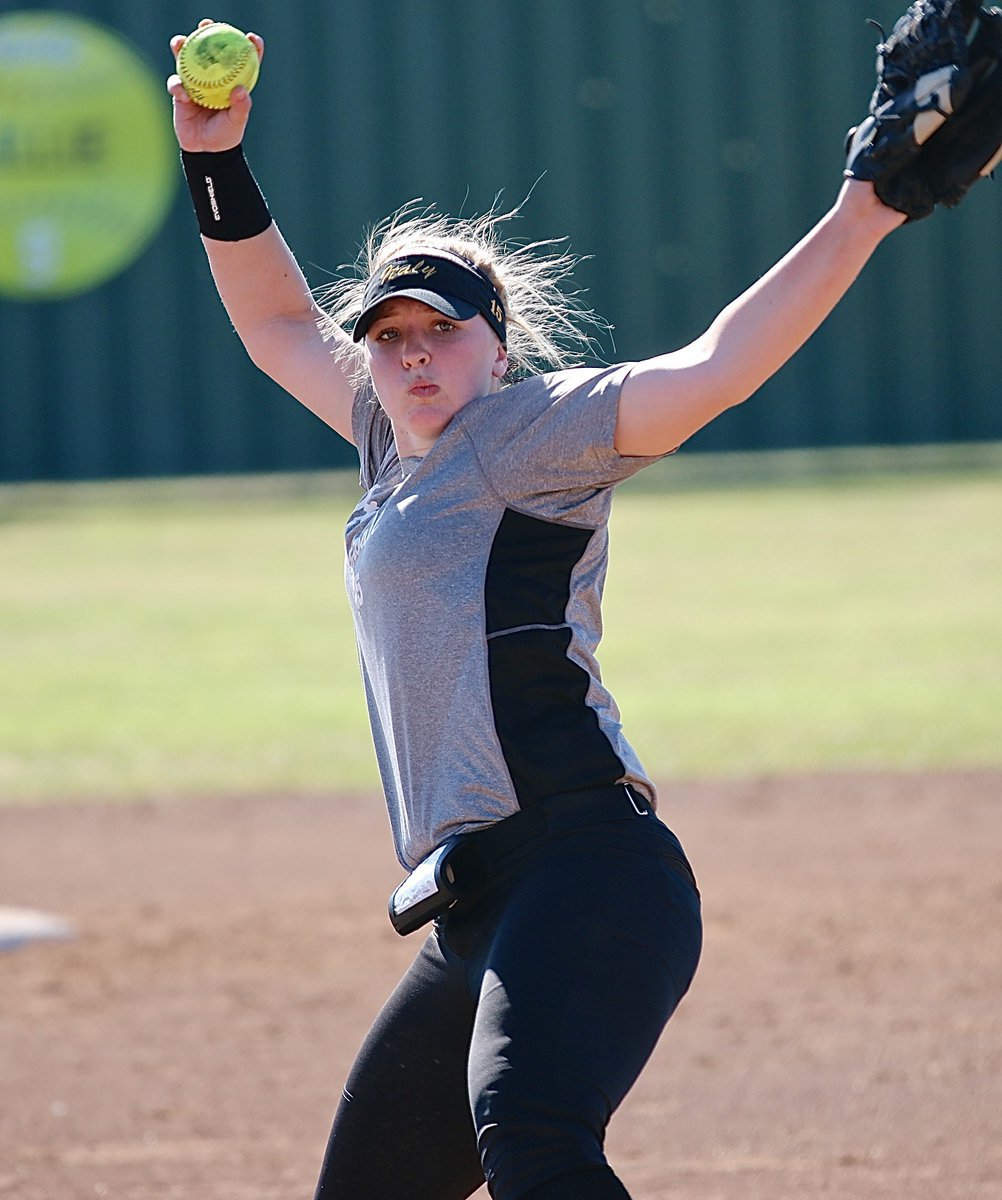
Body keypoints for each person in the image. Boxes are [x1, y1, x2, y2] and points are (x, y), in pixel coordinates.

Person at [167, 19, 909, 1200]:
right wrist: (214, 159)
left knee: (536, 1140)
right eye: (390, 338)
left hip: (590, 869)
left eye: (440, 333)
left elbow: (711, 369)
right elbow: (272, 324)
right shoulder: (387, 446)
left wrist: (865, 208)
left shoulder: (526, 436)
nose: (412, 358)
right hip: (482, 899)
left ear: (495, 351)